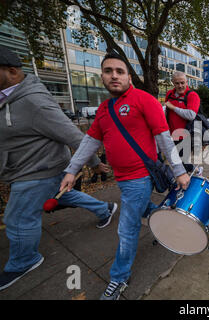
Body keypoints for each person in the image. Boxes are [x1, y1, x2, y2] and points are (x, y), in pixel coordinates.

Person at [59, 51, 190, 300]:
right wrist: (71, 171)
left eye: (120, 71)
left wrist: (180, 172)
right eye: (108, 71)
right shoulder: (104, 109)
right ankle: (169, 222)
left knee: (127, 228)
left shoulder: (145, 100)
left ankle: (119, 278)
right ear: (102, 77)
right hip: (122, 178)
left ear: (129, 76)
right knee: (141, 209)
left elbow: (164, 138)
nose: (114, 76)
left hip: (140, 177)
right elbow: (89, 142)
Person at [0, 46, 117, 291]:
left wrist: (95, 165)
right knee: (68, 194)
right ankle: (105, 208)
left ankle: (24, 260)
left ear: (11, 72)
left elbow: (73, 135)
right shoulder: (8, 98)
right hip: (31, 169)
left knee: (17, 218)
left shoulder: (35, 102)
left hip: (36, 170)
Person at [164, 71, 201, 173]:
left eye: (182, 83)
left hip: (186, 135)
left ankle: (193, 175)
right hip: (171, 135)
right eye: (177, 83)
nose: (180, 86)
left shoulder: (192, 95)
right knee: (177, 161)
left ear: (186, 82)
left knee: (181, 161)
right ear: (173, 83)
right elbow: (167, 112)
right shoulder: (169, 94)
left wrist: (173, 107)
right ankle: (196, 171)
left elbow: (191, 115)